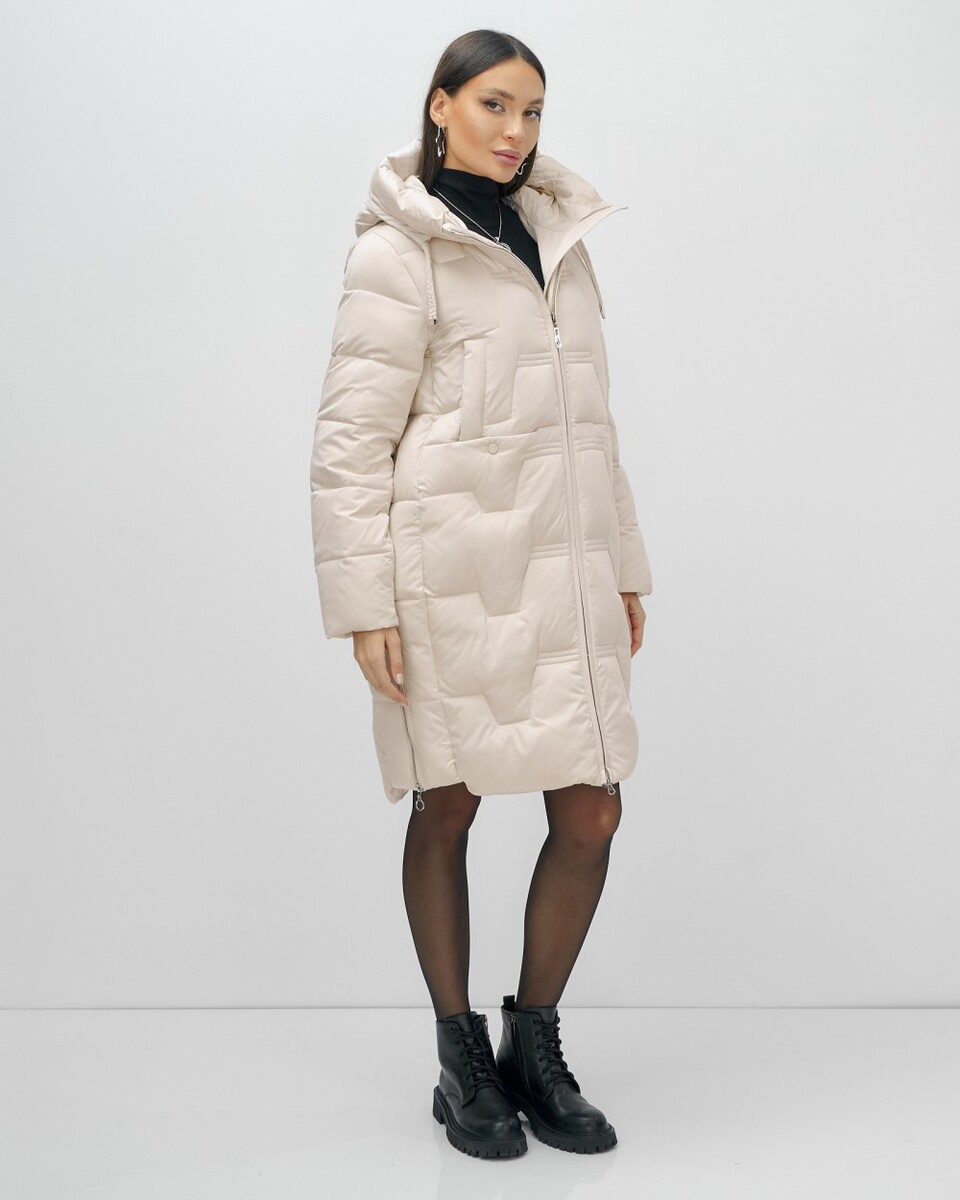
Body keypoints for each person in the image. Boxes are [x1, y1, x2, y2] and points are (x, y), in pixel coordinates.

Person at [310, 29, 653, 1159]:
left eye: (534, 111)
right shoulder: (399, 250)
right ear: (442, 106)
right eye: (495, 104)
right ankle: (461, 1059)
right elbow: (351, 440)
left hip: (565, 566)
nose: (516, 131)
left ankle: (532, 1044)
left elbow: (591, 423)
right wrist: (366, 604)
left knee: (591, 809)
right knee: (448, 804)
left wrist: (622, 564)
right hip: (447, 571)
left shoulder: (559, 237)